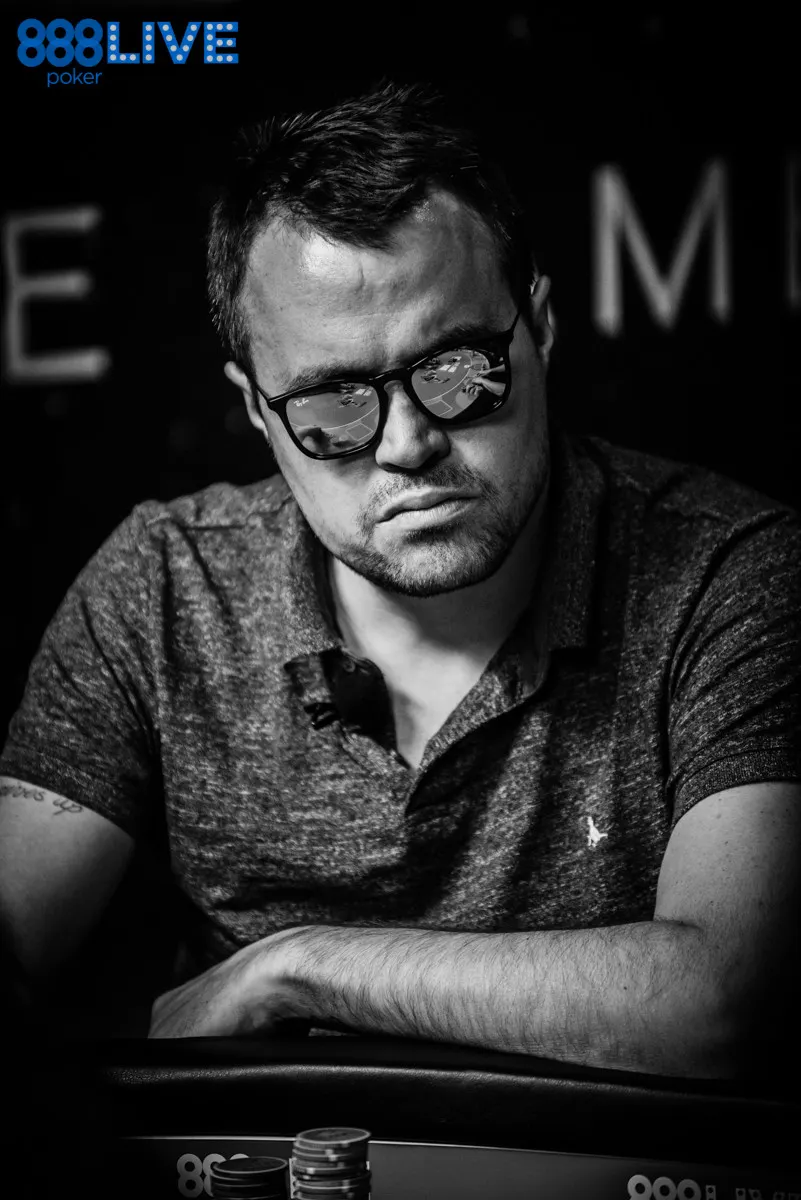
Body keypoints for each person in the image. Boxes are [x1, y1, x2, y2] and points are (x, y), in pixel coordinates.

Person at [1, 80, 799, 1080]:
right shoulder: (163, 586)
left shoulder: (731, 574)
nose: (408, 444)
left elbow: (727, 1002)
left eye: (458, 371)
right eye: (333, 408)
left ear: (540, 327)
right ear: (255, 410)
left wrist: (297, 969)